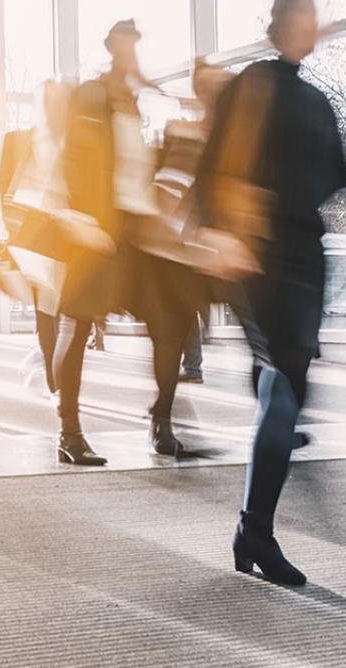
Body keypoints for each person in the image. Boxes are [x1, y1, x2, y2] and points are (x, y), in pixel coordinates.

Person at [196, 0, 346, 585]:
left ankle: (252, 529)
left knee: (288, 386)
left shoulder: (313, 98)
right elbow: (216, 168)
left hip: (302, 257)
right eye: (305, 12)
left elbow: (331, 176)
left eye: (317, 14)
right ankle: (255, 532)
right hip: (260, 257)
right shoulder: (254, 85)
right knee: (283, 386)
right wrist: (227, 232)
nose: (314, 23)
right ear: (283, 20)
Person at [53, 19, 154, 467]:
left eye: (136, 46)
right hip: (94, 231)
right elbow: (74, 156)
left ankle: (164, 416)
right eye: (127, 45)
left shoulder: (131, 99)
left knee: (164, 315)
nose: (132, 54)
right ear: (113, 48)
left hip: (129, 228)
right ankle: (69, 433)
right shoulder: (94, 94)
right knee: (75, 329)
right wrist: (84, 220)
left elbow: (133, 167)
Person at [132, 58, 233, 455]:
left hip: (198, 258)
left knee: (179, 335)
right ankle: (162, 419)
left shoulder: (228, 140)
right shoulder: (186, 134)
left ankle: (162, 410)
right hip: (166, 256)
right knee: (168, 339)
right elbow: (164, 189)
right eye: (207, 87)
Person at [1, 80, 76, 398]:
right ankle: (52, 375)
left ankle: (58, 370)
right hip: (34, 237)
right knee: (47, 310)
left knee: (67, 309)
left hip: (69, 233)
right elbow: (2, 184)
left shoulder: (74, 140)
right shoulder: (18, 140)